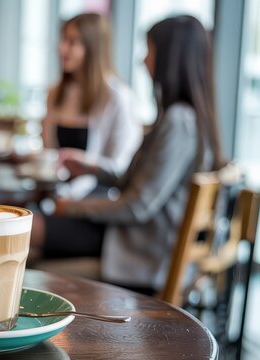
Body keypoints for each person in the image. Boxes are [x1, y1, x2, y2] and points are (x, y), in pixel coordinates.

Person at [34, 15, 225, 293]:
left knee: (25, 239)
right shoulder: (184, 118)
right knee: (27, 236)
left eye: (150, 51)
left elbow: (137, 205)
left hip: (137, 250)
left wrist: (70, 207)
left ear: (170, 57)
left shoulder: (178, 122)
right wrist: (93, 168)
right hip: (131, 238)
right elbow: (139, 181)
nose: (143, 60)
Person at [42, 13, 141, 198]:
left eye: (73, 42)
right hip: (57, 194)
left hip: (97, 200)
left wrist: (86, 163)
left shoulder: (118, 97)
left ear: (93, 48)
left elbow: (122, 168)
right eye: (63, 39)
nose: (62, 48)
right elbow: (49, 152)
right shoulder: (55, 93)